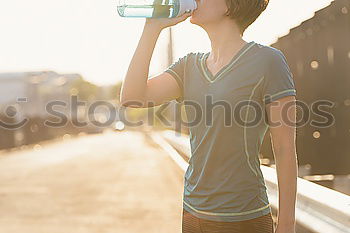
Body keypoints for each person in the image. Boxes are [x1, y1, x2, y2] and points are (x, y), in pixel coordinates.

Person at [119, 0, 298, 232]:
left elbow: (284, 148)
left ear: (231, 5)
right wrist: (151, 28)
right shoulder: (188, 66)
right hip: (194, 214)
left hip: (243, 217)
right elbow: (132, 97)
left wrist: (286, 226)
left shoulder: (268, 61)